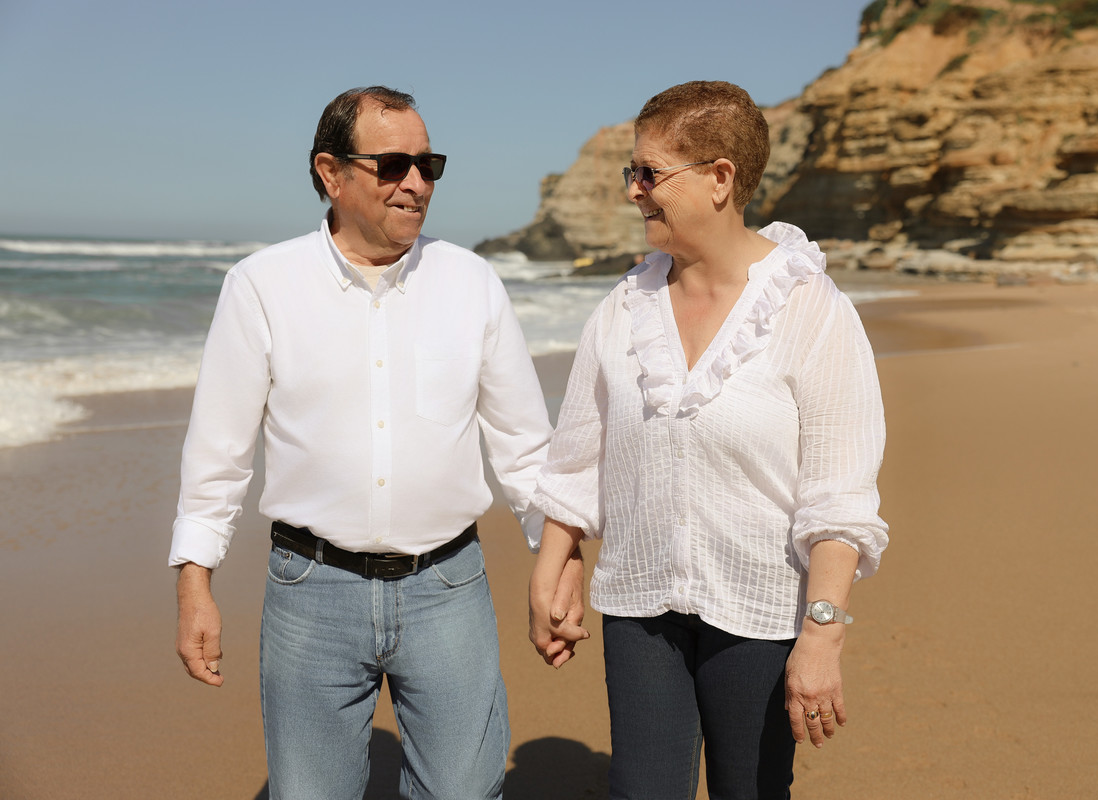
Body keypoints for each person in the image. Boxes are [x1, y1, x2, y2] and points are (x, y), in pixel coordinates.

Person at [171, 85, 580, 800]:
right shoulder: (262, 286)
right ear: (331, 173)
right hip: (310, 591)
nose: (416, 182)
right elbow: (219, 453)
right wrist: (194, 584)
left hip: (448, 586)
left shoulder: (472, 282)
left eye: (429, 165)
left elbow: (523, 447)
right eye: (393, 165)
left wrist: (559, 561)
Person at [528, 81, 888, 799]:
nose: (633, 190)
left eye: (649, 173)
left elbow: (839, 494)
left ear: (720, 177)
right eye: (632, 171)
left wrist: (822, 635)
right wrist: (553, 564)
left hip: (759, 614)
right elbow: (578, 459)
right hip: (639, 609)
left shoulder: (808, 309)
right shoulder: (623, 308)